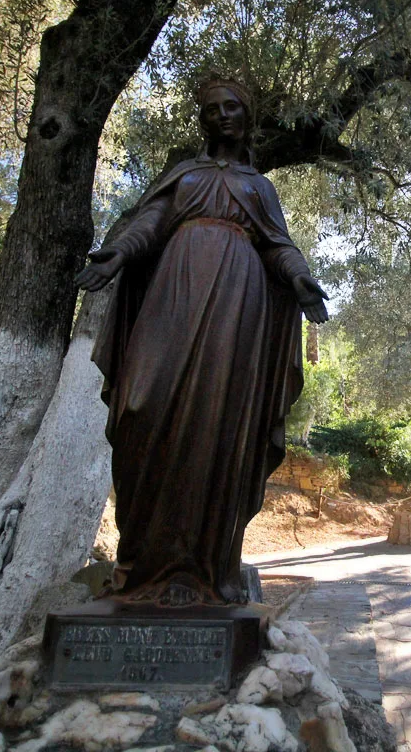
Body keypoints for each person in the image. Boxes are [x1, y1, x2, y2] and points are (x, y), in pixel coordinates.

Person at [75, 79, 329, 607]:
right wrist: (118, 252)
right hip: (174, 295)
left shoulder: (259, 187)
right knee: (140, 408)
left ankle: (207, 568)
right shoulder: (185, 175)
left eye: (232, 106)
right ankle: (141, 563)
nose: (222, 116)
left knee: (220, 425)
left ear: (246, 115)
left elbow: (279, 246)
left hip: (238, 309)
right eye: (211, 110)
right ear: (203, 121)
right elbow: (151, 222)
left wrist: (301, 278)